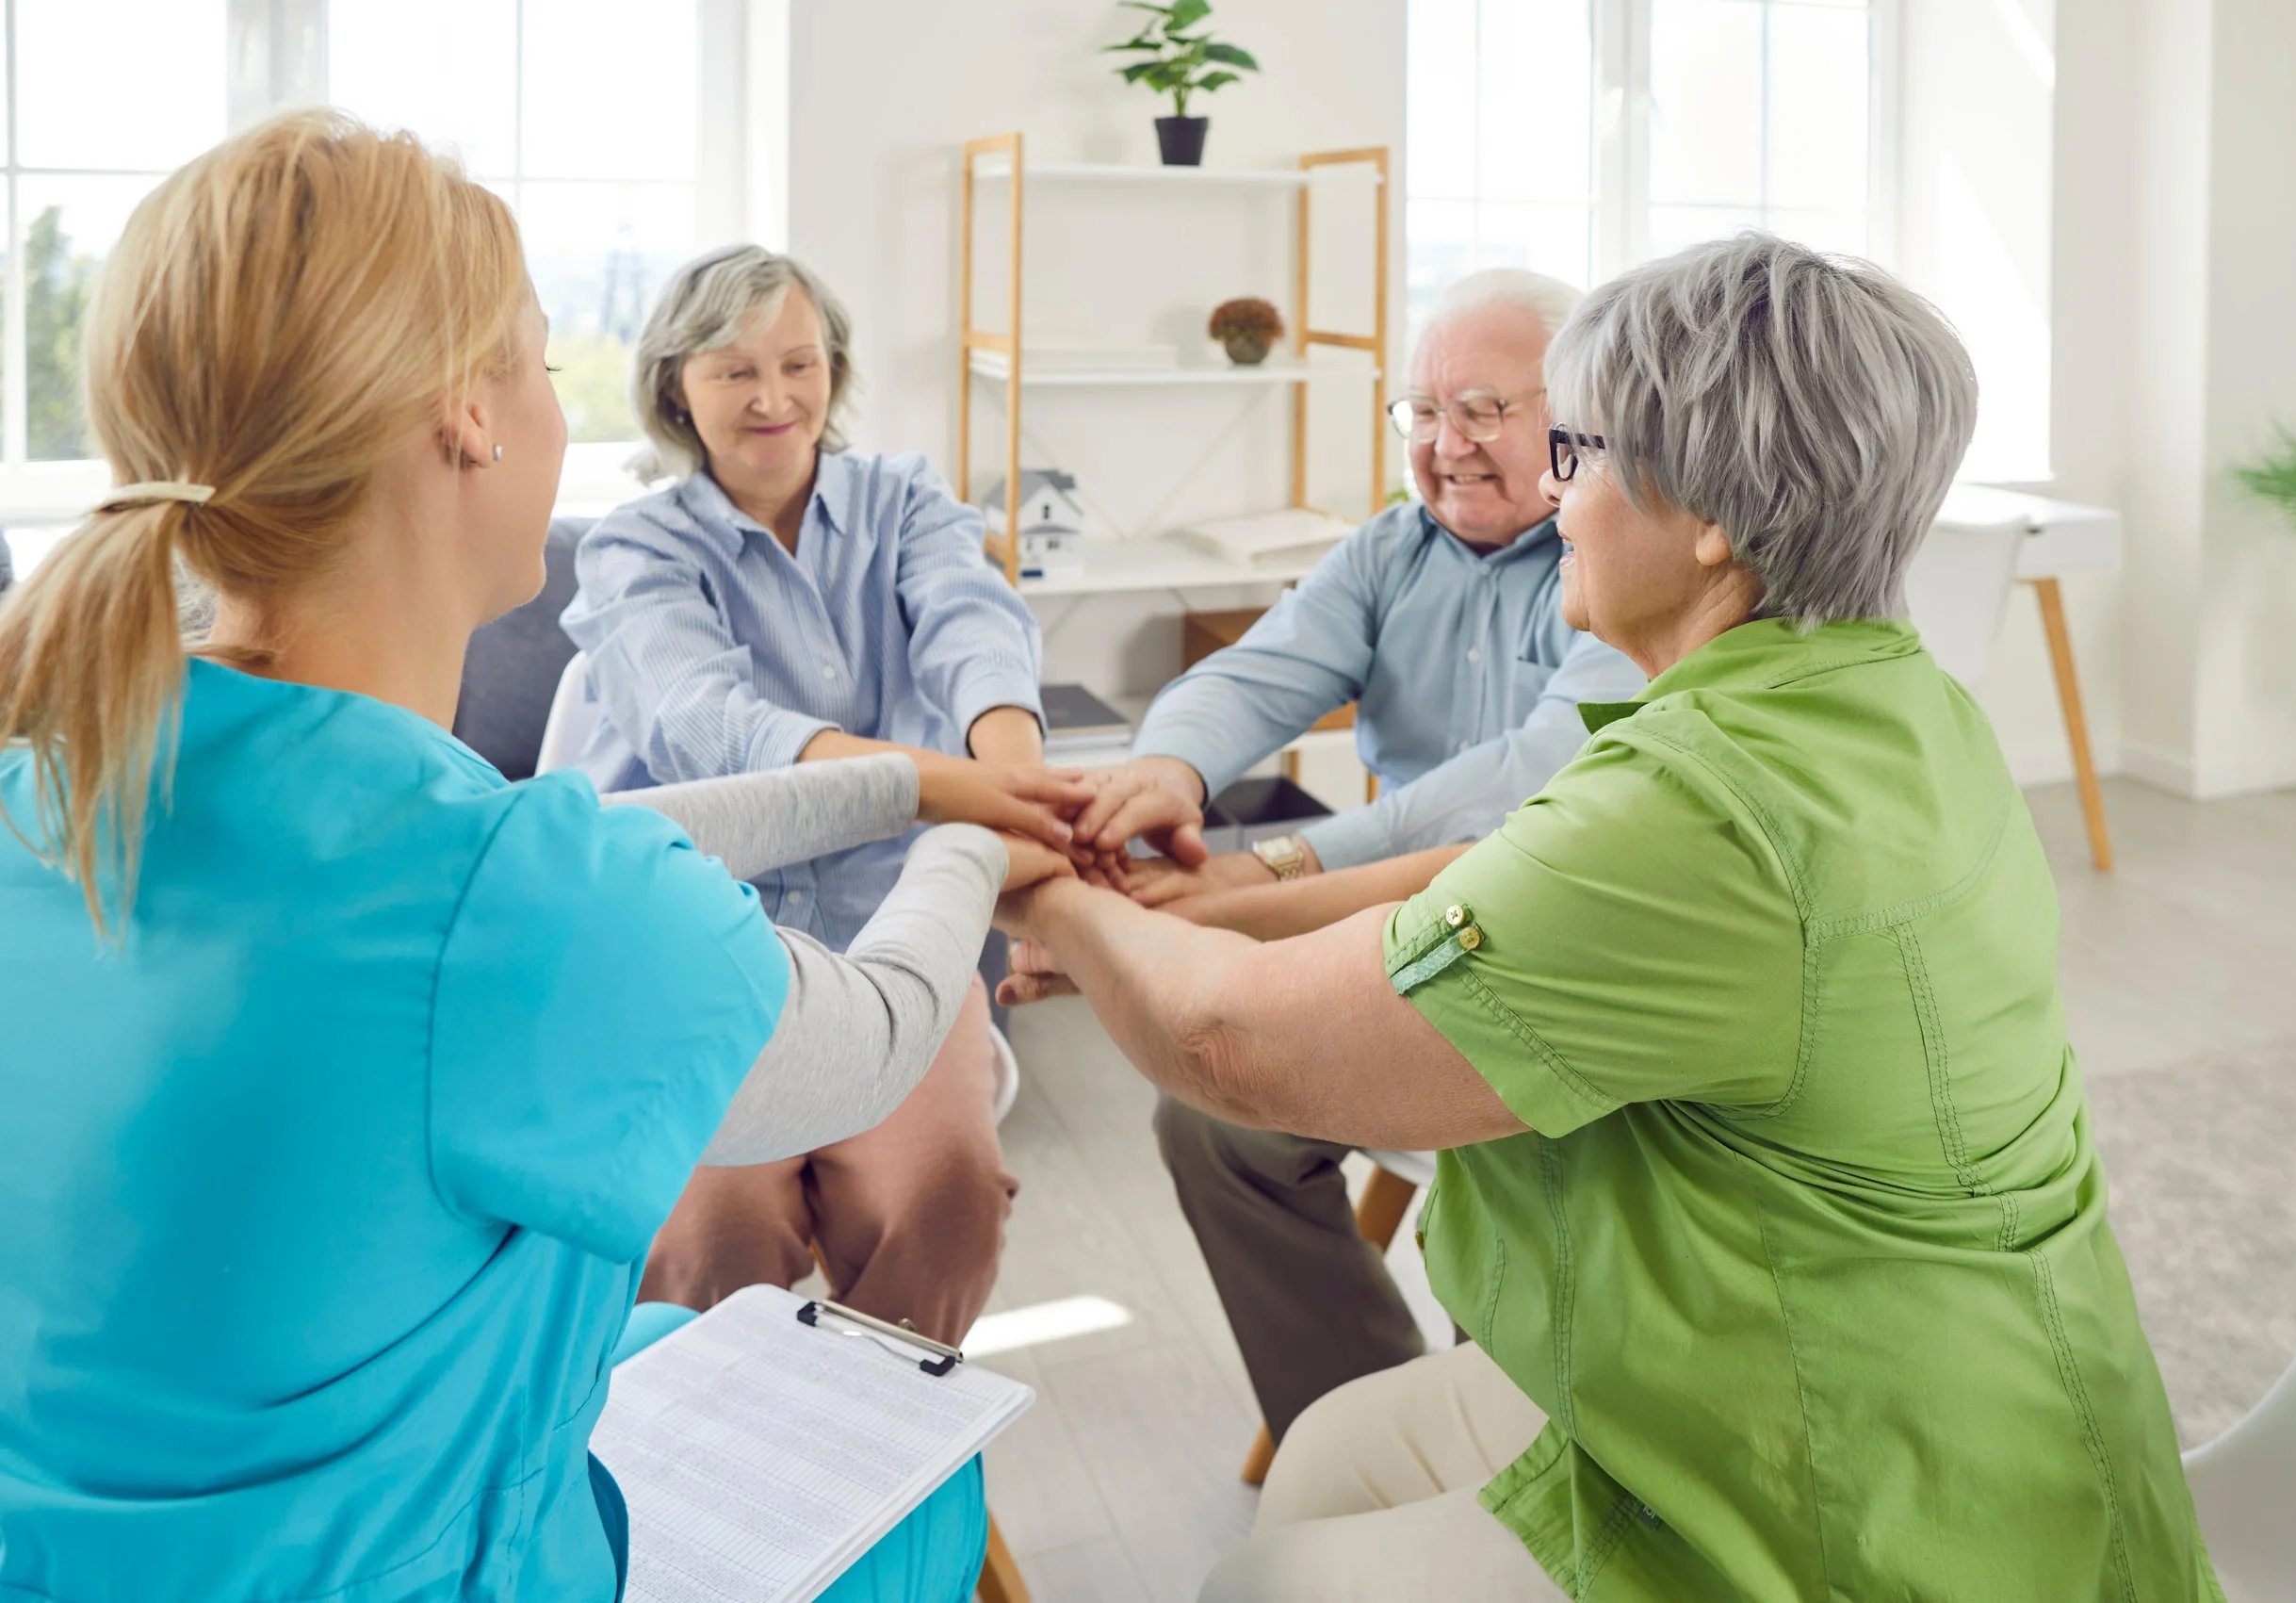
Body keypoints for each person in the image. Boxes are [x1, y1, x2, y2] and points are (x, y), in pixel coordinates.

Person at [995, 234, 2222, 1600]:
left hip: (1869, 1492)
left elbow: (1227, 1041)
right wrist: (1217, 891)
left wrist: (1039, 884)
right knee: (1329, 1460)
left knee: (1263, 1582)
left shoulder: (1703, 802)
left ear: (1706, 513)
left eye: (1572, 453)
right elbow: (1491, 869)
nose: (1555, 497)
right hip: (1908, 1372)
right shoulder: (1877, 695)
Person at [0, 111, 1069, 1601]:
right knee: (919, 1488)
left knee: (676, 1334)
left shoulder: (66, 768)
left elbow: (531, 865)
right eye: (537, 353)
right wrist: (981, 828)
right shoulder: (525, 898)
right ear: (466, 416)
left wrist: (904, 785)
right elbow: (880, 1032)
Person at [1070, 267, 1644, 1443]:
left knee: (1516, 1155)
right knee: (1214, 1122)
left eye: (1483, 410)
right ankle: (1370, 1433)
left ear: (1578, 414)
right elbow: (1253, 675)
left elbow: (1521, 790)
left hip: (1560, 962)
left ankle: (1525, 1455)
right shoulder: (1391, 551)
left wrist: (1267, 875)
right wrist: (1170, 772)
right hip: (1397, 944)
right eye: (1423, 414)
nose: (1446, 446)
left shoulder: (1623, 554)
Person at [562, 245, 1062, 1345]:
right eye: (734, 371)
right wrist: (947, 787)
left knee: (946, 1208)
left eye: (800, 363)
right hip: (708, 956)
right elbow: (711, 727)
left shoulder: (905, 501)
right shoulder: (634, 547)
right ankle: (737, 1473)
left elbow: (973, 622)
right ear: (674, 389)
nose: (775, 397)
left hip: (897, 949)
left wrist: (1018, 787)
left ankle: (875, 1456)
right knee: (707, 1242)